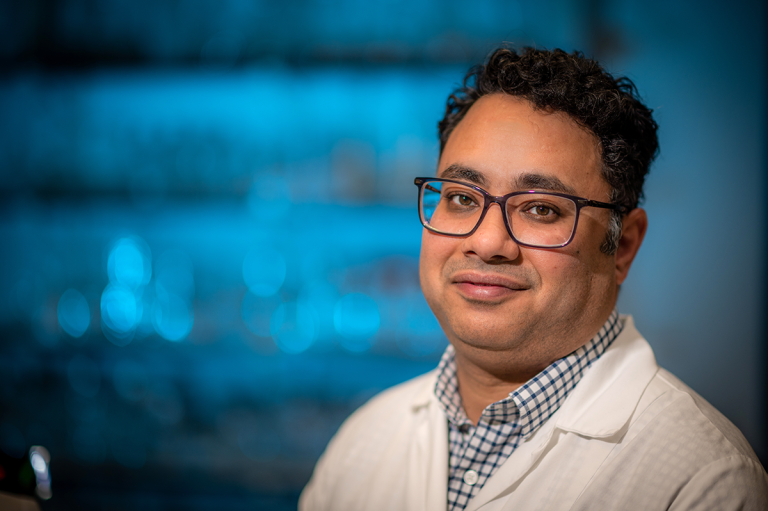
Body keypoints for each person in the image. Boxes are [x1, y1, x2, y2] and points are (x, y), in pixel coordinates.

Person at [299, 47, 768, 511]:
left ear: (623, 245)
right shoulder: (364, 441)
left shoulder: (705, 479)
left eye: (540, 209)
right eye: (462, 198)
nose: (486, 243)